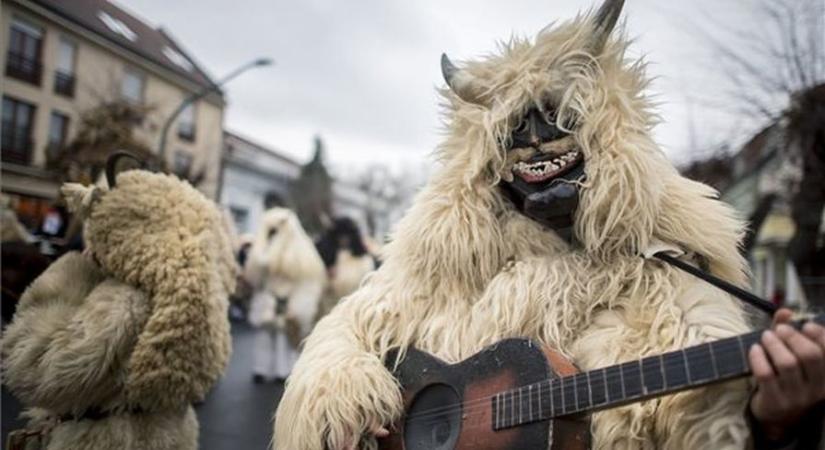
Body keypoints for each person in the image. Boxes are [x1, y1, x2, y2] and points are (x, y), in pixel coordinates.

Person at [273, 1, 825, 449]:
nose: (536, 140)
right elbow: (347, 335)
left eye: (559, 119)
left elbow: (708, 422)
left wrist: (772, 423)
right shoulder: (440, 262)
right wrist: (340, 406)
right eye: (514, 128)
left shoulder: (669, 271)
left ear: (606, 134)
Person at [2, 169, 236, 450]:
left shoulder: (125, 300)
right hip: (166, 435)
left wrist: (71, 271)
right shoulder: (191, 291)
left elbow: (31, 370)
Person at [245, 207, 326, 383]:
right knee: (265, 334)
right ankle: (261, 368)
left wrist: (298, 306)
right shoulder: (267, 246)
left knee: (285, 336)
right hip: (268, 297)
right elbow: (258, 268)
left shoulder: (299, 253)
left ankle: (284, 370)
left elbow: (307, 281)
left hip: (289, 299)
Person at [315, 217, 377, 319]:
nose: (344, 241)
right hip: (331, 310)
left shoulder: (363, 259)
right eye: (340, 237)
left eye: (346, 237)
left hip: (356, 308)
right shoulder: (327, 256)